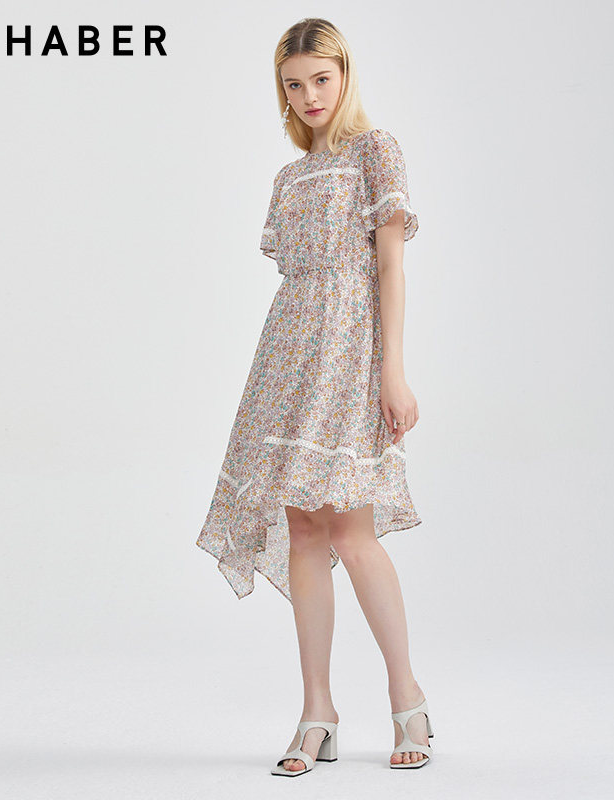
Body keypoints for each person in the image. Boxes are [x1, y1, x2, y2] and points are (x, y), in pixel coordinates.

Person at [196, 17, 433, 774]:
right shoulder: (289, 178)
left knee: (352, 529)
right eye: (294, 85)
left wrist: (393, 371)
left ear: (345, 75)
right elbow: (295, 282)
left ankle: (406, 697)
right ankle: (317, 711)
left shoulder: (375, 150)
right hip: (288, 355)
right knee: (302, 526)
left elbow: (389, 269)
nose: (309, 97)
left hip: (351, 351)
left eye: (321, 80)